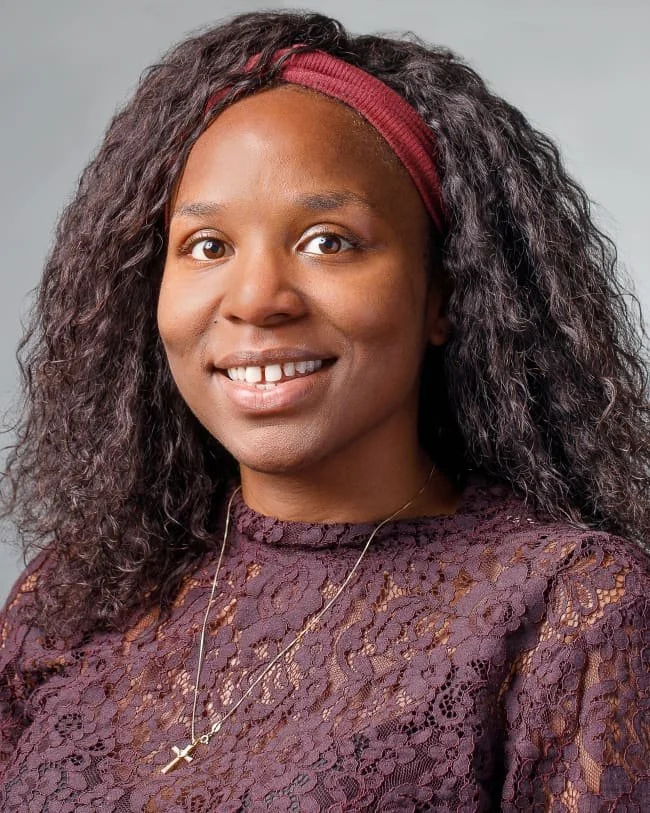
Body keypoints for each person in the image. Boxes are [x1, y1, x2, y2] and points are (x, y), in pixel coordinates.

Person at [1, 9, 648, 811]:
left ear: (444, 292)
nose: (258, 299)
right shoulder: (74, 595)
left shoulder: (566, 611)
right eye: (208, 246)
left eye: (328, 240)